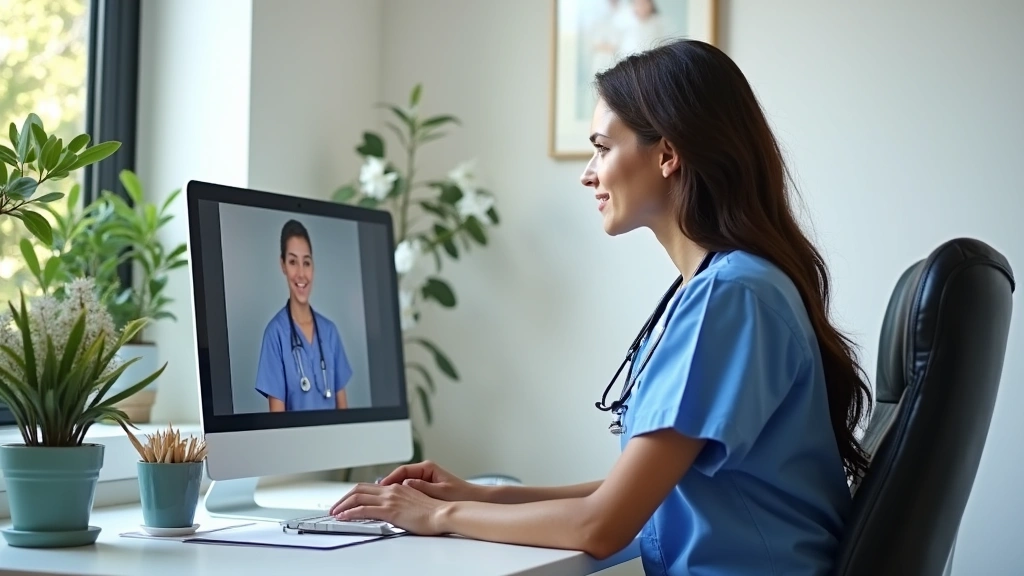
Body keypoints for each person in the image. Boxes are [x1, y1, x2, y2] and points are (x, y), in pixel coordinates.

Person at [329, 38, 872, 575]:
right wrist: (479, 496)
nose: (588, 172)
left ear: (667, 153)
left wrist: (441, 514)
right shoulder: (731, 286)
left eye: (602, 147)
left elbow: (603, 524)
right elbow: (639, 493)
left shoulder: (733, 296)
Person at [254, 219, 353, 411]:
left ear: (313, 267)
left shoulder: (329, 332)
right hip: (294, 442)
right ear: (282, 264)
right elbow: (278, 423)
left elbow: (344, 414)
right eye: (292, 262)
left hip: (334, 441)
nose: (301, 273)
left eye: (306, 263)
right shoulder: (275, 335)